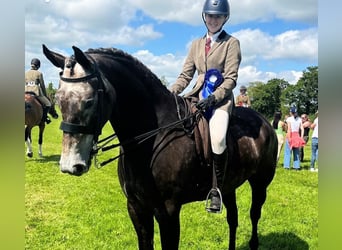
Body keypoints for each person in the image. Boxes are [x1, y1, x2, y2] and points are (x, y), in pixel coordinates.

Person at [169, 0, 241, 213]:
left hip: (220, 101)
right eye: (209, 16)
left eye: (217, 17)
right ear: (204, 16)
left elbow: (231, 79)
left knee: (218, 137)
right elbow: (185, 75)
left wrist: (215, 97)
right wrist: (172, 92)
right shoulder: (196, 44)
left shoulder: (231, 43)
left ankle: (217, 189)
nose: (213, 20)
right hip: (196, 97)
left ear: (225, 18)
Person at [25, 58, 51, 124]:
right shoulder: (39, 73)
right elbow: (42, 85)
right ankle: (44, 118)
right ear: (38, 66)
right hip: (35, 92)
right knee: (48, 104)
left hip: (25, 91)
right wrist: (45, 95)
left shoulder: (26, 73)